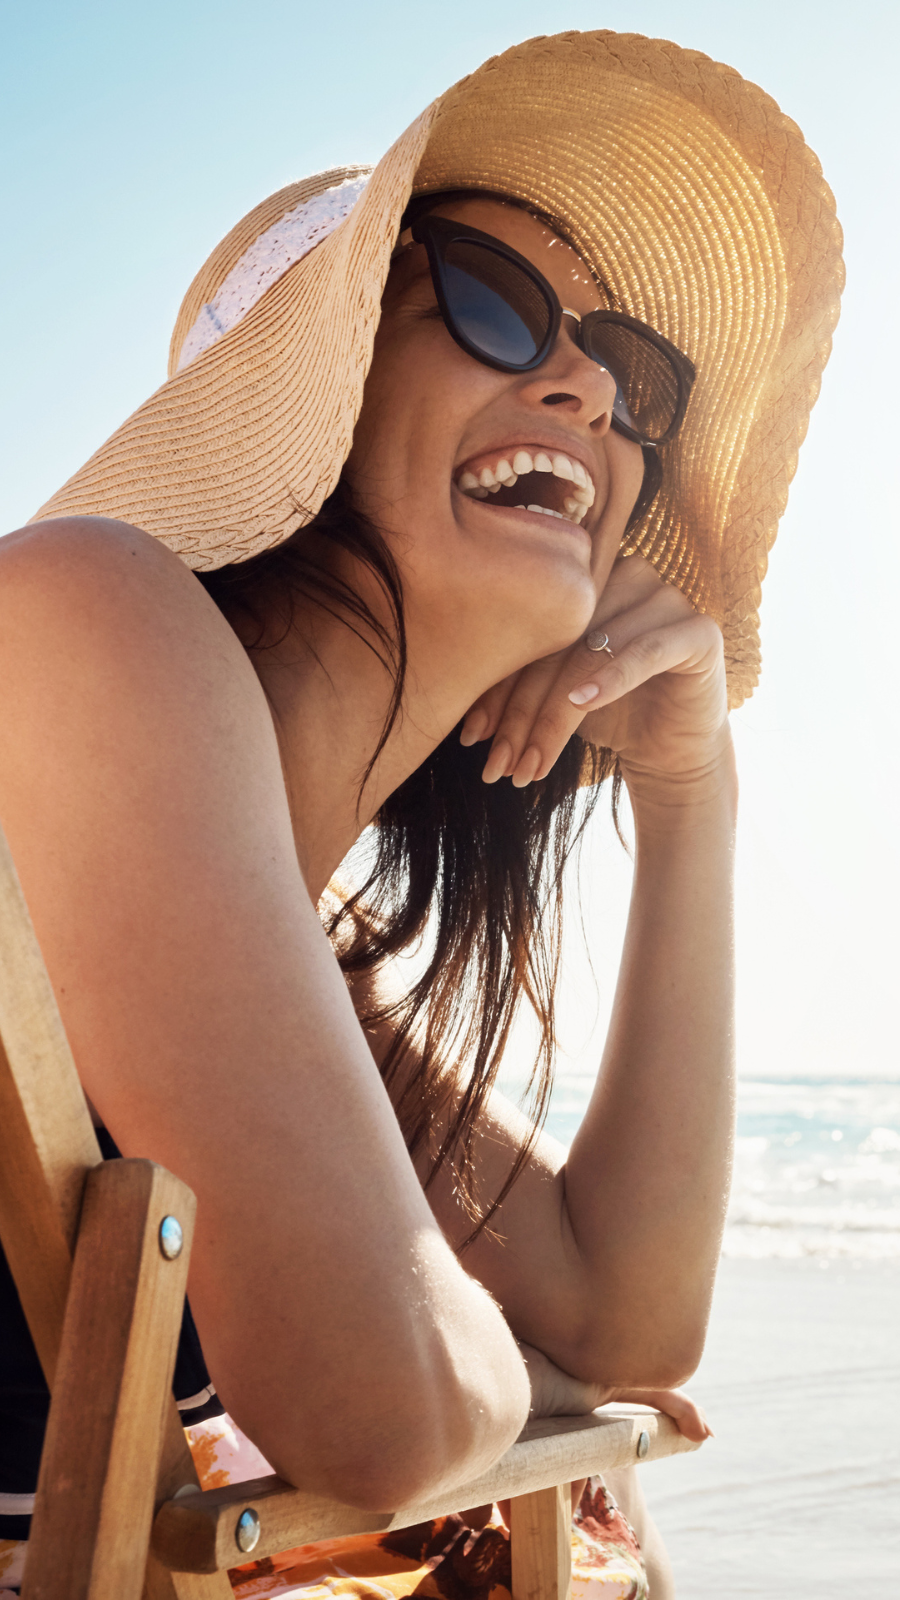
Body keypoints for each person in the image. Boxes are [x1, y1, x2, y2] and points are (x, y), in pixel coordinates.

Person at [0, 30, 842, 1600]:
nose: (590, 384)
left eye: (630, 370)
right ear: (298, 403)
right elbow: (389, 1413)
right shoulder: (76, 610)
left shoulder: (298, 961)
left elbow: (630, 1322)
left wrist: (689, 787)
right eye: (491, 300)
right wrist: (523, 1400)